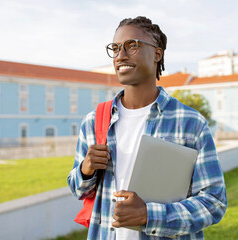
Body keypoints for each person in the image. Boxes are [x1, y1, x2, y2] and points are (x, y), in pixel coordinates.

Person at [67, 16, 227, 240]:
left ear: (157, 54)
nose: (121, 55)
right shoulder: (93, 122)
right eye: (115, 48)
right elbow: (78, 190)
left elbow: (213, 202)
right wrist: (85, 170)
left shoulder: (190, 122)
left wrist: (148, 215)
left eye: (132, 46)